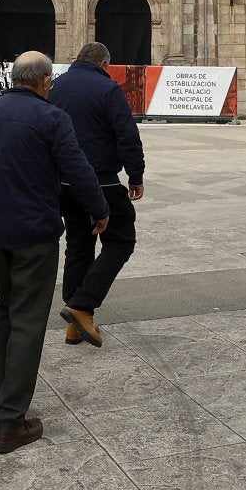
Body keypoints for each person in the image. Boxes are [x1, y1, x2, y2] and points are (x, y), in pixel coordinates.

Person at [0, 52, 107, 455]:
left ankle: (5, 402)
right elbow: (77, 170)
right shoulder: (52, 118)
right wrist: (100, 209)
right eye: (50, 82)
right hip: (33, 235)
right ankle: (8, 422)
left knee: (7, 311)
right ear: (42, 81)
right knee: (27, 321)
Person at [48, 42, 145, 347]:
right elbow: (126, 133)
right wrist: (135, 174)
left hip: (63, 183)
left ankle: (75, 326)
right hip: (100, 180)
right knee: (120, 240)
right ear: (104, 64)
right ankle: (82, 305)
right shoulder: (107, 88)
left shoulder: (56, 86)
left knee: (79, 245)